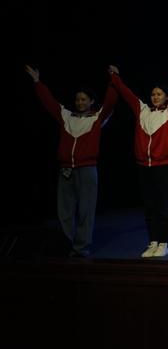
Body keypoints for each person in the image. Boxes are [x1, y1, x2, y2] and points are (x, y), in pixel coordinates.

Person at [25, 65, 117, 257]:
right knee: (64, 211)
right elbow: (49, 102)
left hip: (87, 170)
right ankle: (66, 244)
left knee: (85, 211)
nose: (80, 102)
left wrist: (113, 79)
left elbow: (110, 102)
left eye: (84, 99)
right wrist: (37, 82)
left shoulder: (97, 118)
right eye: (77, 99)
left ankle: (81, 247)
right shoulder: (66, 116)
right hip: (66, 170)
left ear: (91, 101)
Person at [109, 65, 168, 258]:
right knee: (149, 206)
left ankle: (164, 243)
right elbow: (127, 94)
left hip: (163, 166)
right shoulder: (142, 110)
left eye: (159, 94)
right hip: (144, 167)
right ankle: (153, 241)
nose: (155, 97)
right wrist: (115, 77)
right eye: (153, 94)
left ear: (166, 97)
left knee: (163, 206)